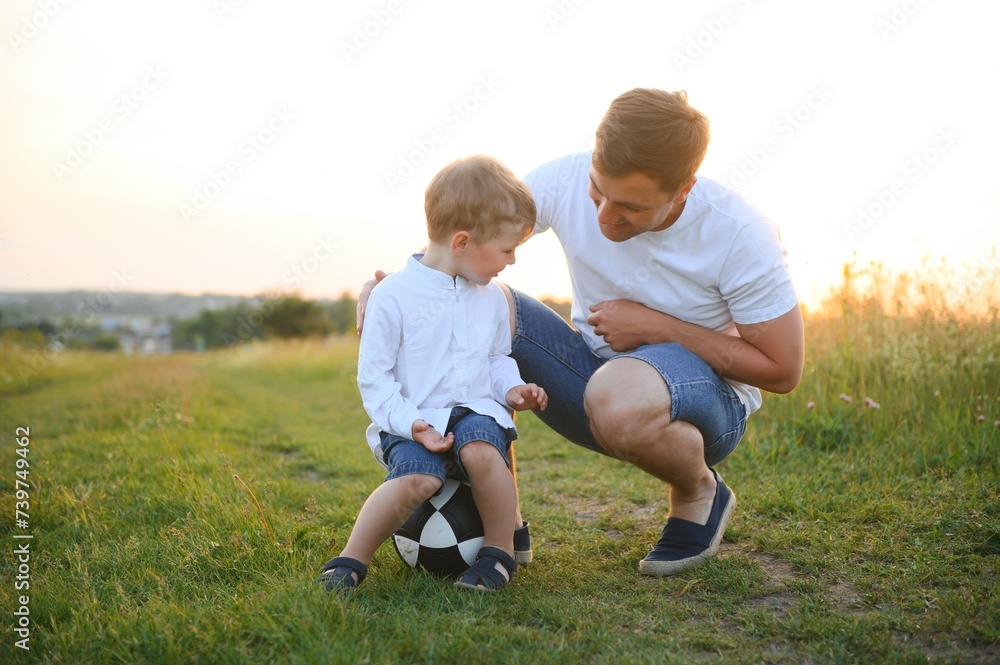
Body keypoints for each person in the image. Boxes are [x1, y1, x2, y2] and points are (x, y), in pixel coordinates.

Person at [359, 88, 804, 577]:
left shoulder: (739, 232)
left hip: (703, 405)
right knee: (491, 303)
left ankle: (698, 490)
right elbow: (471, 230)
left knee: (618, 393)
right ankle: (503, 524)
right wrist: (399, 290)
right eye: (598, 191)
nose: (604, 216)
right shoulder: (565, 178)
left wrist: (656, 327)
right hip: (586, 378)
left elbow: (782, 370)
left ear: (683, 190)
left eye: (630, 207)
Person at [321, 155, 548, 594]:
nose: (513, 261)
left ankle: (499, 554)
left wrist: (513, 389)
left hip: (475, 412)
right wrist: (415, 425)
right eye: (507, 249)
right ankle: (351, 560)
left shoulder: (494, 296)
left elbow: (497, 358)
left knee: (483, 450)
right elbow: (376, 381)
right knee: (418, 479)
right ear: (462, 241)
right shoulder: (392, 297)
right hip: (411, 417)